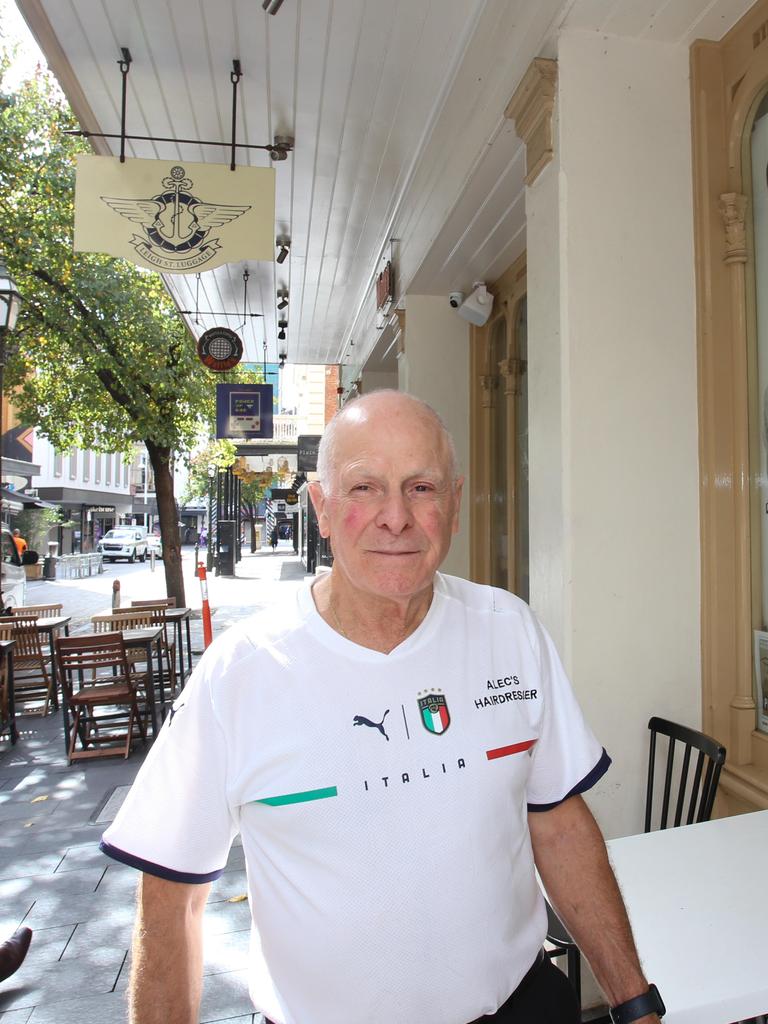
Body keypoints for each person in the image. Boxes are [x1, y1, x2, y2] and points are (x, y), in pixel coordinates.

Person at [101, 391, 664, 1024]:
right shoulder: (239, 674)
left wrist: (635, 1002)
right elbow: (172, 896)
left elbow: (558, 823)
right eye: (364, 488)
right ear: (321, 507)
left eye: (421, 487)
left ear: (454, 504)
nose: (395, 517)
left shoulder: (509, 630)